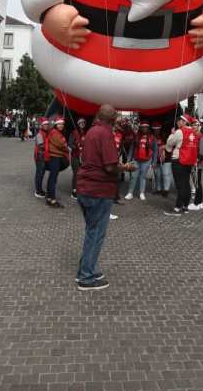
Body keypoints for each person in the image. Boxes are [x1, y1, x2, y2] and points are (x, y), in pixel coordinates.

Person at [75, 104, 133, 291]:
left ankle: (86, 269)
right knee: (96, 234)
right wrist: (125, 168)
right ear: (113, 118)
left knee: (91, 231)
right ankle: (86, 277)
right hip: (98, 190)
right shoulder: (106, 133)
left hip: (85, 187)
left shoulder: (92, 131)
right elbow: (110, 166)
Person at [165, 116, 198, 216]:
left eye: (179, 120)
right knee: (186, 184)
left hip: (179, 160)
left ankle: (177, 207)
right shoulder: (193, 132)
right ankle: (185, 206)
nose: (178, 122)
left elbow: (170, 143)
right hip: (189, 161)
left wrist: (172, 134)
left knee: (180, 185)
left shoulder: (179, 131)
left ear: (184, 121)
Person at [125, 122, 157, 201]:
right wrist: (128, 160)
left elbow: (155, 151)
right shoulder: (136, 136)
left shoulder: (152, 138)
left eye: (146, 127)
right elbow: (132, 149)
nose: (144, 129)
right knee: (133, 176)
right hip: (136, 160)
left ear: (148, 128)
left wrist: (154, 162)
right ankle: (130, 193)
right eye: (142, 127)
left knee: (143, 177)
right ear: (140, 128)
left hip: (146, 161)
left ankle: (141, 193)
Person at [44, 118, 69, 208]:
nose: (61, 125)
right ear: (55, 125)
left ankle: (49, 198)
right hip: (55, 157)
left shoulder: (56, 132)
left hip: (55, 157)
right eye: (59, 124)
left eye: (62, 124)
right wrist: (66, 146)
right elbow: (61, 144)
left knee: (52, 178)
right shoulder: (55, 132)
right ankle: (52, 199)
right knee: (53, 178)